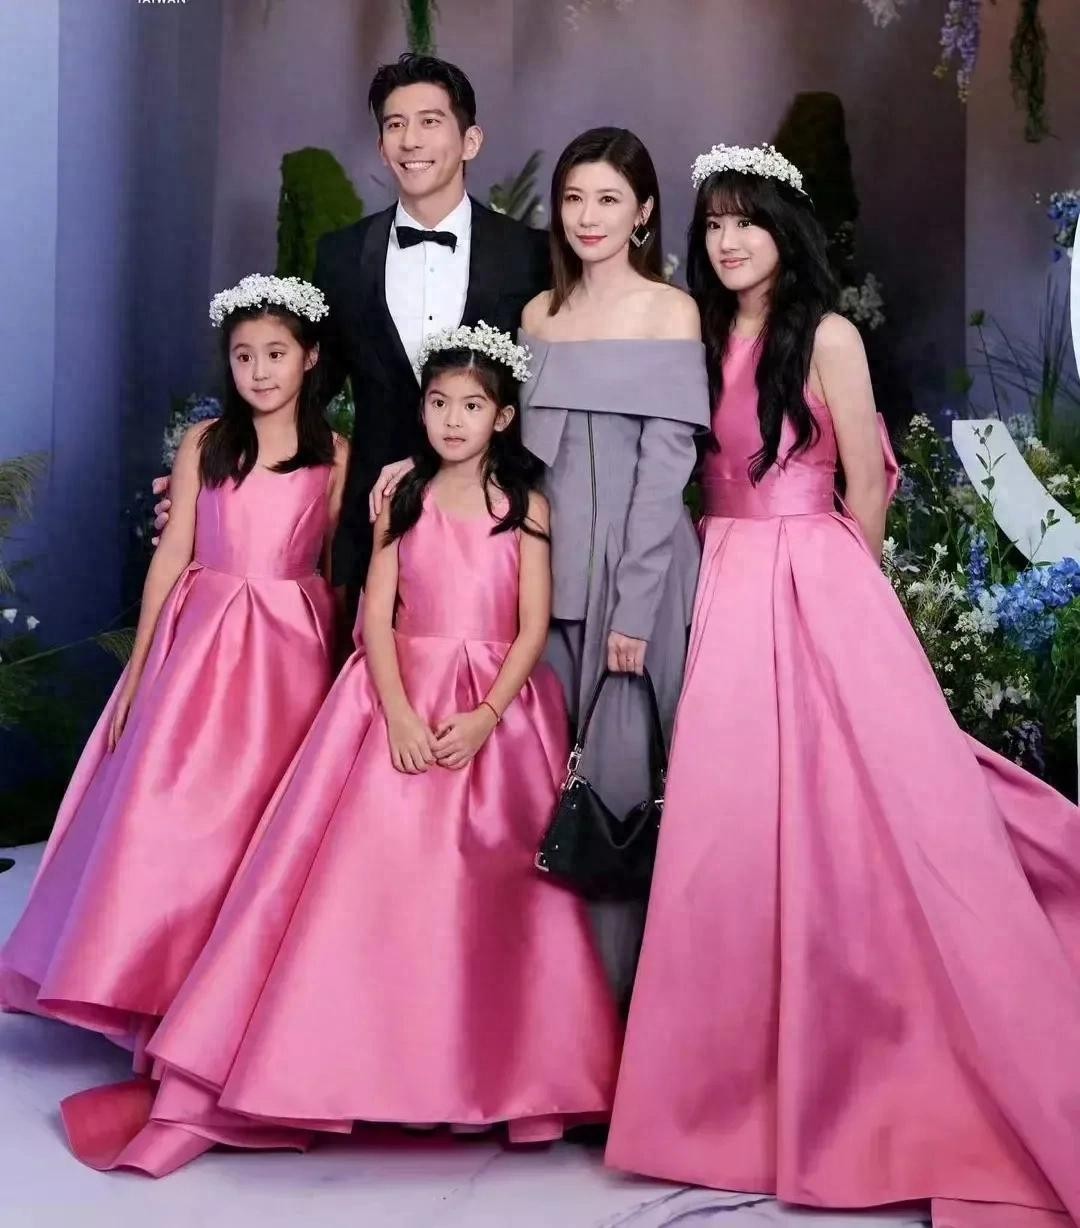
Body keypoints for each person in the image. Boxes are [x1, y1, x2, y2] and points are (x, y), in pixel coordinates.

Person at [605, 143, 1080, 1228]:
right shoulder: (695, 327)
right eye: (714, 222)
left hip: (815, 578)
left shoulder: (825, 334)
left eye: (748, 221)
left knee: (857, 813)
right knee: (729, 829)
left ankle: (868, 1069)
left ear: (786, 231)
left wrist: (835, 611)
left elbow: (865, 488)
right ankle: (724, 1102)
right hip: (717, 571)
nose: (729, 240)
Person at [60, 323, 619, 1176]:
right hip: (400, 695)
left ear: (504, 418)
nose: (453, 420)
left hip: (493, 718)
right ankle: (333, 1058)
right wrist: (396, 711)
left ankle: (497, 1074)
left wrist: (485, 714)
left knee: (495, 900)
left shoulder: (526, 509)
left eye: (472, 406)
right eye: (438, 404)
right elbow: (373, 616)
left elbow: (532, 625)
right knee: (363, 886)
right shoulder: (400, 496)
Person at [0, 275, 347, 1059]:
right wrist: (143, 661)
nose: (259, 371)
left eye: (276, 354)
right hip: (205, 644)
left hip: (289, 654)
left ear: (310, 357)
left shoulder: (335, 456)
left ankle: (222, 1004)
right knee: (178, 810)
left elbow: (334, 573)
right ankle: (146, 984)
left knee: (257, 818)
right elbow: (172, 554)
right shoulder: (206, 443)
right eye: (244, 356)